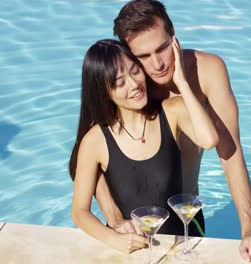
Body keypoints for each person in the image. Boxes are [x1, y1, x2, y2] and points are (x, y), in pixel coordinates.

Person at [94, 0, 251, 261]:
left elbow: (229, 151)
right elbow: (90, 154)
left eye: (163, 48)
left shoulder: (207, 71)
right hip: (132, 225)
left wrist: (250, 229)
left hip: (185, 216)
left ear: (174, 37)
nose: (157, 65)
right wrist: (113, 216)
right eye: (143, 57)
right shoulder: (125, 87)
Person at [70, 38, 218, 253]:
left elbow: (209, 140)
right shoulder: (95, 140)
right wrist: (113, 238)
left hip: (184, 239)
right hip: (135, 245)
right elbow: (79, 212)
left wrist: (182, 82)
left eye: (135, 71)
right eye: (120, 83)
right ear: (104, 92)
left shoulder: (172, 111)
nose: (134, 84)